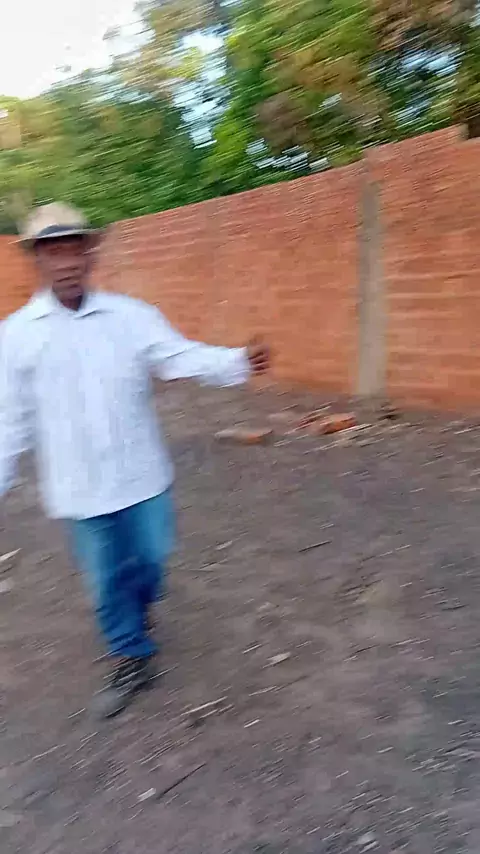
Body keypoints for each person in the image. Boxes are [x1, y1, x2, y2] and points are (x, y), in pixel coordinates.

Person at [0, 202, 269, 719]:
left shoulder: (130, 317)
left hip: (141, 476)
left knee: (150, 559)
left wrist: (236, 361)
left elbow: (177, 356)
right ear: (37, 260)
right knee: (106, 579)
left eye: (74, 249)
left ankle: (138, 608)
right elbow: (9, 420)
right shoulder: (16, 336)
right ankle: (130, 654)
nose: (65, 262)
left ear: (90, 254)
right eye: (52, 252)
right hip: (79, 487)